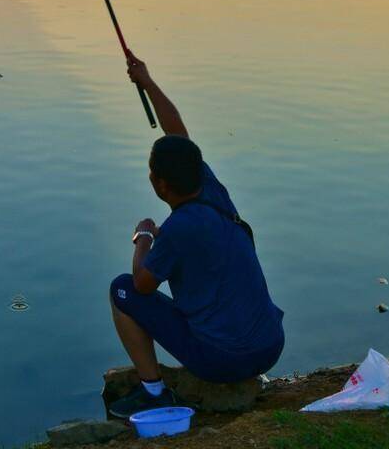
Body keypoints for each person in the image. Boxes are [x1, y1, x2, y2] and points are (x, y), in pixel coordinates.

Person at [107, 53, 285, 419]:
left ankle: (154, 393)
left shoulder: (175, 232)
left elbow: (142, 285)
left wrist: (143, 236)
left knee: (121, 289)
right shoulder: (211, 189)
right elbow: (179, 136)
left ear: (160, 184)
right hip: (270, 347)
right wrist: (146, 80)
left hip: (221, 363)